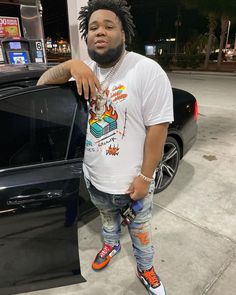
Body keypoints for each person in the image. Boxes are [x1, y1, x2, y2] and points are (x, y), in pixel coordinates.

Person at [37, 1, 173, 294]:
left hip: (134, 181)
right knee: (108, 220)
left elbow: (158, 129)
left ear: (123, 34)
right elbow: (42, 83)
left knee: (140, 230)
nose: (100, 32)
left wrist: (146, 178)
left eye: (109, 26)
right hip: (95, 177)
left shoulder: (147, 70)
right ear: (87, 37)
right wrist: (72, 64)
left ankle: (146, 267)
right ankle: (110, 246)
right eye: (93, 27)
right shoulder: (84, 69)